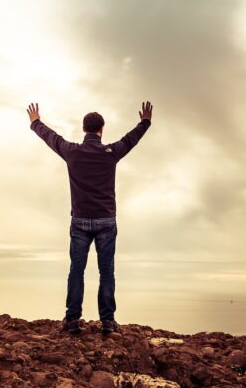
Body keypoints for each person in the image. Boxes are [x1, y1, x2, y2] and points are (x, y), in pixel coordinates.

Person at [27, 101, 153, 335]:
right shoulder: (110, 153)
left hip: (80, 222)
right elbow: (130, 139)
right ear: (101, 129)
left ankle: (72, 320)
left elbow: (51, 137)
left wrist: (35, 123)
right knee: (107, 272)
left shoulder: (72, 152)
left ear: (84, 129)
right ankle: (108, 322)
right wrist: (145, 122)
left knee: (77, 269)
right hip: (106, 221)